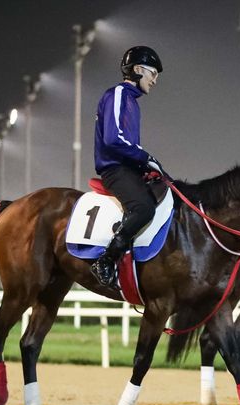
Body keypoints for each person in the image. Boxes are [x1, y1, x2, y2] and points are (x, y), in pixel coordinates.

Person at [90, 46, 165, 287]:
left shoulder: (132, 101)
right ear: (137, 69)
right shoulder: (119, 94)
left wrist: (146, 165)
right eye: (153, 73)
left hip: (128, 169)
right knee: (143, 208)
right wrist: (144, 157)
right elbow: (114, 139)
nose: (155, 80)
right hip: (115, 169)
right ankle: (107, 259)